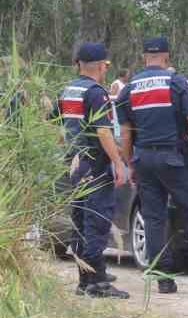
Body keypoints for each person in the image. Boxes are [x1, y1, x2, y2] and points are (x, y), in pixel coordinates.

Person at [117, 37, 188, 295]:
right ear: (166, 57)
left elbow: (125, 133)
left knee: (154, 218)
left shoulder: (129, 88)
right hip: (175, 158)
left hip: (145, 159)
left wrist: (130, 162)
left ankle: (164, 279)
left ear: (144, 57)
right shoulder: (176, 82)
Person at [50, 43, 131, 299]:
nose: (106, 69)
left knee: (81, 221)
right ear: (99, 65)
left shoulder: (68, 90)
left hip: (74, 163)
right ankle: (98, 283)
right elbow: (103, 131)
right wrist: (118, 162)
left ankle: (84, 281)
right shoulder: (97, 93)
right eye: (106, 65)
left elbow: (55, 124)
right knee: (96, 222)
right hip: (94, 164)